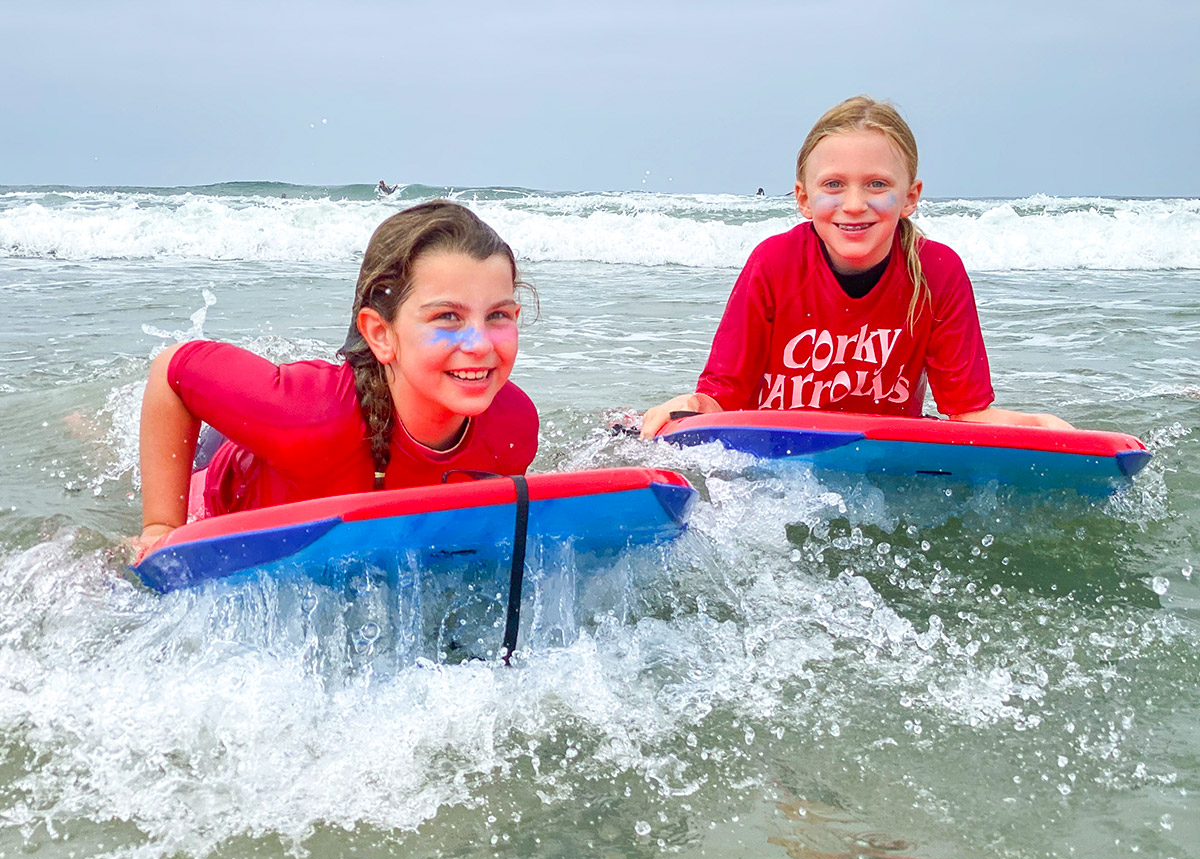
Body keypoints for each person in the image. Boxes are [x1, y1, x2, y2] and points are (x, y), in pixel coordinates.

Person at [641, 96, 1071, 439]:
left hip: (881, 462)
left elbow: (966, 412)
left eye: (877, 184)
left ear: (910, 196)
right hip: (776, 458)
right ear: (804, 198)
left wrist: (1043, 428)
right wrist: (688, 408)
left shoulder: (937, 270)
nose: (853, 204)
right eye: (833, 184)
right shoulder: (774, 263)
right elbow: (723, 396)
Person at [137, 200, 538, 554]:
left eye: (498, 315)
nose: (480, 343)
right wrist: (161, 526)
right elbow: (172, 371)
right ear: (380, 334)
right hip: (227, 470)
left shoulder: (513, 426)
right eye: (447, 317)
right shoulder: (304, 413)